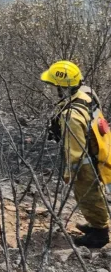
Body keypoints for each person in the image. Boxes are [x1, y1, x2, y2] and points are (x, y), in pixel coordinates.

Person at [41, 60, 110, 248]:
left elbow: (75, 151)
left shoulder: (71, 116)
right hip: (101, 150)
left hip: (87, 162)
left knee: (88, 195)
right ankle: (97, 224)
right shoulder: (86, 94)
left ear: (62, 87)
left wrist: (68, 175)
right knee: (96, 193)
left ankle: (99, 234)